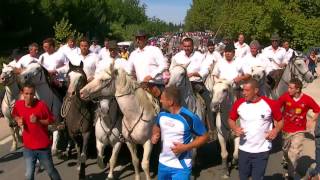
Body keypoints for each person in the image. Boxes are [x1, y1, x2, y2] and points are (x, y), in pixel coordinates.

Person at [228, 79, 283, 180]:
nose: (243, 93)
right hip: (244, 149)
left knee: (257, 177)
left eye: (247, 90)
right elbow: (231, 119)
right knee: (243, 177)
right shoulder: (239, 103)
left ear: (256, 90)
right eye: (243, 90)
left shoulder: (270, 104)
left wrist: (275, 130)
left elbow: (280, 121)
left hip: (262, 150)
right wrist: (235, 128)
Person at [151, 86, 209, 179]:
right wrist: (154, 134)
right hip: (163, 164)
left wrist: (186, 147)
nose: (160, 101)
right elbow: (157, 126)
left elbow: (205, 137)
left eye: (162, 99)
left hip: (181, 167)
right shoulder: (161, 114)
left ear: (170, 102)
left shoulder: (189, 117)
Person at [12, 83, 62, 180]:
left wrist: (38, 121)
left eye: (31, 94)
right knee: (29, 175)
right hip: (28, 148)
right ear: (22, 93)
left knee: (51, 171)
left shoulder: (41, 105)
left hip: (43, 148)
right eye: (26, 93)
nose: (29, 96)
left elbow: (51, 120)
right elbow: (15, 114)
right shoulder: (19, 105)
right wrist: (18, 120)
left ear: (34, 93)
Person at [171, 37, 216, 139]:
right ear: (182, 46)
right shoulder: (177, 57)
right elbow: (172, 69)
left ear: (193, 46)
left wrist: (196, 73)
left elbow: (205, 69)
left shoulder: (200, 56)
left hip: (195, 82)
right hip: (180, 84)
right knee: (168, 101)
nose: (187, 48)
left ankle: (211, 129)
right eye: (185, 46)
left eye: (189, 46)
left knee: (208, 100)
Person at [278, 78, 320, 179]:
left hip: (299, 130)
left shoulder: (307, 99)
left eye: (291, 88)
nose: (288, 89)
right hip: (285, 130)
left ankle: (291, 174)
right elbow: (276, 107)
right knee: (286, 151)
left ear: (297, 89)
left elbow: (317, 110)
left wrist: (311, 121)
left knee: (294, 153)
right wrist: (277, 120)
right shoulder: (285, 97)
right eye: (288, 87)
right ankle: (286, 160)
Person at [126, 30, 168, 98]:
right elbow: (128, 70)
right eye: (136, 38)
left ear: (146, 39)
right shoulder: (133, 54)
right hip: (140, 86)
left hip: (155, 84)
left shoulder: (155, 50)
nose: (137, 40)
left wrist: (151, 76)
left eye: (140, 38)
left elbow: (163, 65)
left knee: (163, 104)